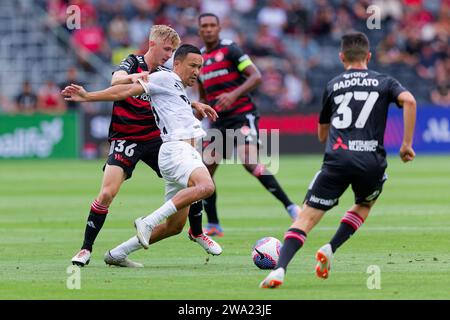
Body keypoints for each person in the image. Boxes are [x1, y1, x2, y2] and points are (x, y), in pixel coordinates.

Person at [260, 32, 417, 288]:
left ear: (341, 56)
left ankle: (279, 269)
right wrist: (406, 145)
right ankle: (331, 248)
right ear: (369, 56)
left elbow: (322, 134)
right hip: (371, 161)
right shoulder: (384, 81)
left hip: (338, 159)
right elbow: (409, 100)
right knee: (364, 205)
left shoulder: (333, 84)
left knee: (306, 218)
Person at [69, 25, 220, 268]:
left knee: (191, 185)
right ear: (153, 44)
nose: (169, 55)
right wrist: (125, 79)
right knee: (107, 192)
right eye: (167, 49)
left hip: (155, 138)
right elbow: (118, 83)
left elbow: (173, 97)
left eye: (172, 51)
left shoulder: (164, 72)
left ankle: (196, 231)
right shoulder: (132, 62)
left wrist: (195, 105)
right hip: (126, 136)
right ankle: (85, 248)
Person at [188, 13, 300, 238]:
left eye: (212, 25)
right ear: (199, 30)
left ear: (219, 28)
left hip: (241, 115)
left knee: (249, 161)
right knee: (205, 171)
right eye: (204, 26)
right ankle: (214, 225)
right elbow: (204, 95)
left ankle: (292, 207)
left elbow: (256, 76)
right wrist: (196, 118)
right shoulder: (199, 59)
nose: (208, 29)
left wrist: (233, 94)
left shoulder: (231, 49)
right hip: (218, 121)